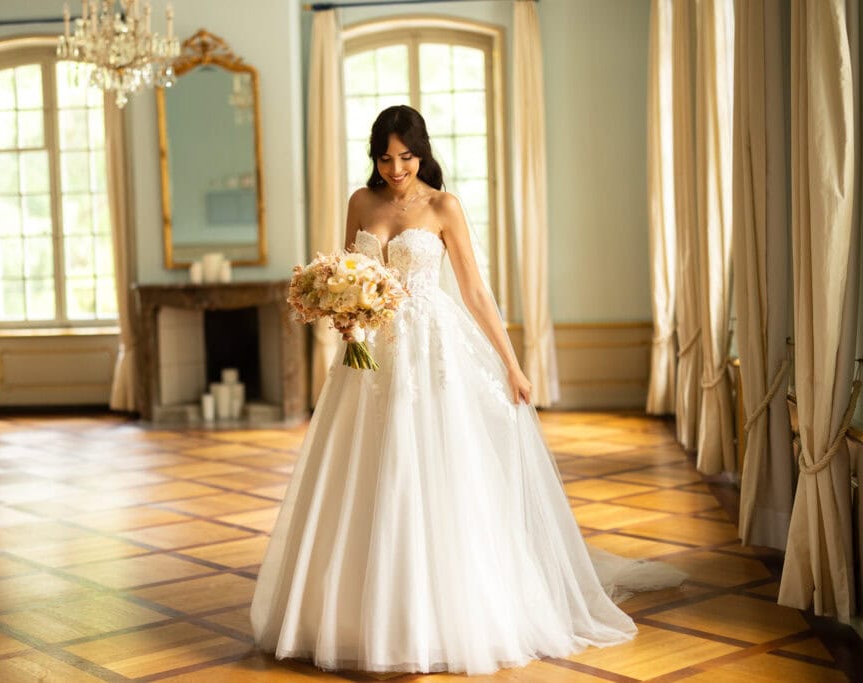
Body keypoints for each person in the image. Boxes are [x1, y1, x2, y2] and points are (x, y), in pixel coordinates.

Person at [250, 105, 686, 676]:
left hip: (431, 351)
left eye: (405, 156)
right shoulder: (361, 202)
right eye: (385, 157)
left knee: (430, 471)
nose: (395, 168)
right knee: (360, 472)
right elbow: (346, 275)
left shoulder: (443, 207)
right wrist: (345, 317)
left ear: (422, 153)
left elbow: (476, 293)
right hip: (369, 358)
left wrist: (513, 365)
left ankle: (445, 613)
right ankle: (350, 615)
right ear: (374, 157)